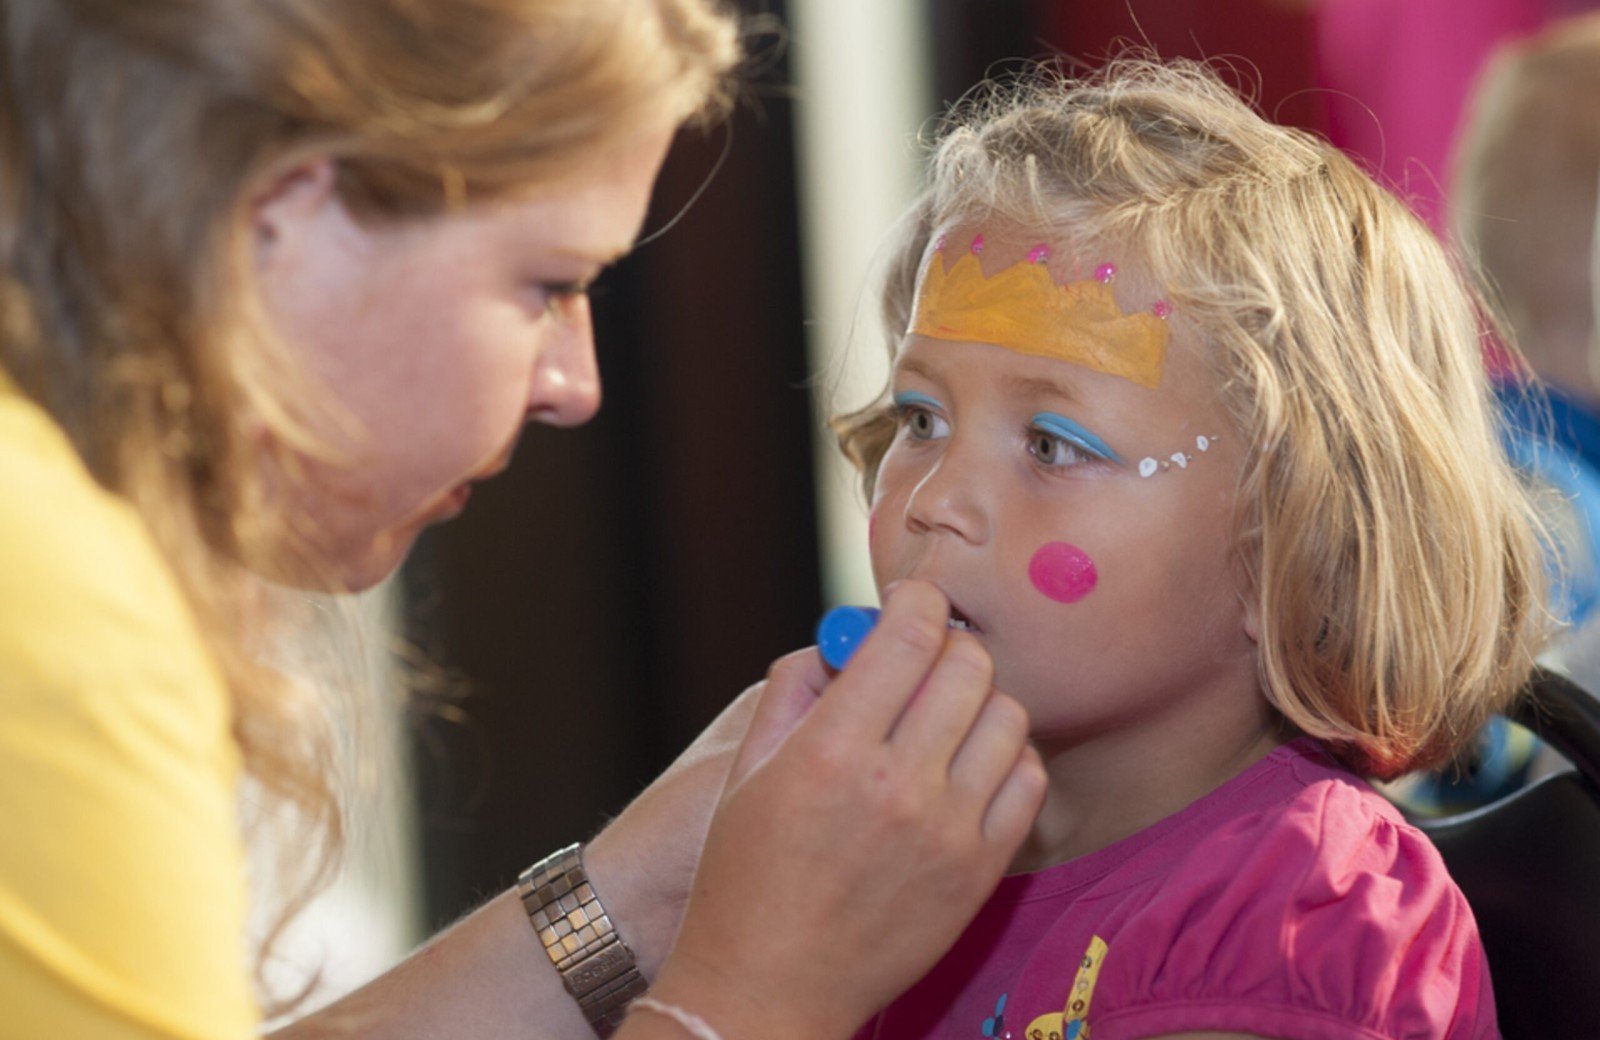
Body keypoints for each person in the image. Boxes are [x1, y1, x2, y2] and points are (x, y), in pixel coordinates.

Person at [0, 2, 1047, 1039]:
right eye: (547, 284)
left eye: (1052, 442)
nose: (575, 384)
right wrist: (763, 984)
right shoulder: (52, 607)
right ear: (284, 214)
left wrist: (637, 893)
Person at [830, 57, 1547, 1039]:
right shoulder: (885, 841)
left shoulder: (1293, 914)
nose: (935, 499)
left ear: (1288, 545)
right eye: (921, 418)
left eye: (1051, 444)